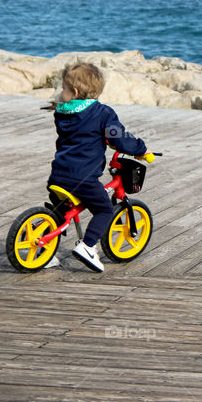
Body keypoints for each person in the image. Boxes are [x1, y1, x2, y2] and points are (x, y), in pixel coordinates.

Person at [47, 62, 152, 272]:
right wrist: (140, 149)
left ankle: (44, 251)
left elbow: (82, 133)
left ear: (75, 92)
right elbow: (119, 138)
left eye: (63, 88)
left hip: (58, 174)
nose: (61, 92)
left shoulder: (61, 113)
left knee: (61, 212)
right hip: (83, 178)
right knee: (104, 209)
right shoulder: (102, 113)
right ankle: (87, 246)